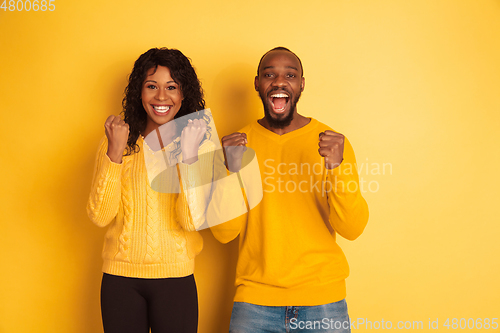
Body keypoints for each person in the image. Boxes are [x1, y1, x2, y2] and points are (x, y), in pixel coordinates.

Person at [210, 47, 369, 333]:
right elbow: (224, 233)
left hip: (323, 303)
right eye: (269, 74)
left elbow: (352, 228)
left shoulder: (332, 144)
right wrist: (231, 170)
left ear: (301, 85)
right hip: (254, 304)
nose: (279, 82)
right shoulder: (237, 147)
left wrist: (336, 167)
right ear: (257, 83)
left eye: (290, 75)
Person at [87, 47, 212, 333]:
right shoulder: (116, 141)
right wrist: (115, 154)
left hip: (176, 280)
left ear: (184, 94)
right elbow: (100, 216)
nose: (161, 97)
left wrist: (189, 158)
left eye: (171, 87)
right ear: (138, 92)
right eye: (151, 86)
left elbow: (192, 220)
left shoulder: (199, 143)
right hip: (120, 280)